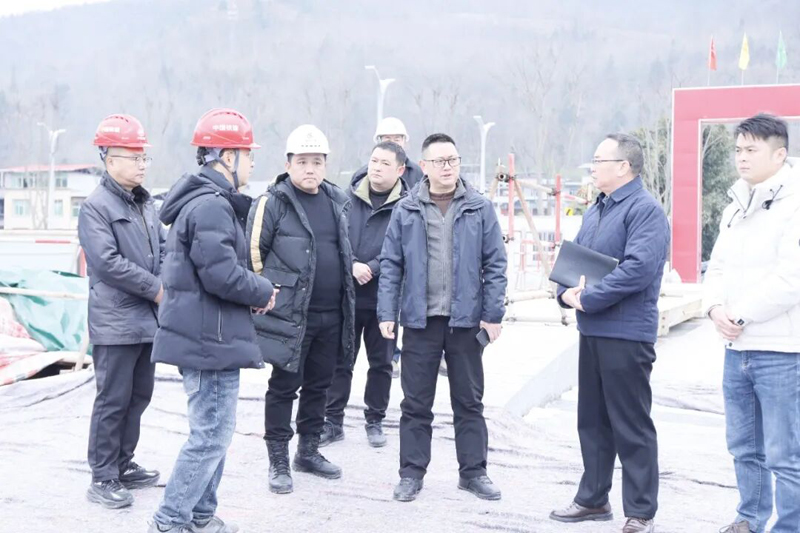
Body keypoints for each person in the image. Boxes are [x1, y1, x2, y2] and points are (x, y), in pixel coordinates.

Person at [148, 108, 275, 533]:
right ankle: (169, 521)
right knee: (210, 436)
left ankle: (200, 516)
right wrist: (262, 290)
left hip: (210, 336)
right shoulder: (211, 207)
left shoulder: (205, 202)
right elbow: (220, 274)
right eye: (248, 154)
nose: (252, 163)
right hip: (209, 341)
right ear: (226, 157)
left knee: (216, 433)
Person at [377, 133, 507, 502]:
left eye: (453, 160)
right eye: (439, 161)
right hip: (420, 322)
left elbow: (495, 264)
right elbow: (391, 264)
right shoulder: (406, 210)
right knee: (416, 403)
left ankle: (474, 473)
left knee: (469, 402)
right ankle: (411, 474)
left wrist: (493, 314)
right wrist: (387, 312)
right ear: (425, 166)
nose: (447, 167)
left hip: (466, 322)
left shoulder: (479, 208)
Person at [550, 133, 669, 533]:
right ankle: (593, 499)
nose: (593, 166)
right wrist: (565, 294)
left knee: (631, 424)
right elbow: (574, 261)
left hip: (626, 333)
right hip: (593, 329)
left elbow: (638, 269)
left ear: (623, 166)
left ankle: (640, 511)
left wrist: (590, 298)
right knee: (593, 420)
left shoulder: (645, 210)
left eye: (599, 160)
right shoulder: (597, 209)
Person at [703, 114, 800, 533]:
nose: (741, 157)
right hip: (736, 348)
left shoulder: (795, 203)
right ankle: (749, 519)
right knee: (744, 447)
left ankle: (789, 527)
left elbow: (792, 278)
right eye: (738, 149)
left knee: (785, 454)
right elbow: (716, 267)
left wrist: (739, 313)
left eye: (751, 149)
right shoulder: (735, 205)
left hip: (782, 350)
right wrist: (714, 308)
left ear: (780, 154)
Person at [247, 124, 355, 495]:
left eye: (317, 162)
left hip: (332, 313)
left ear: (325, 165)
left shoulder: (337, 200)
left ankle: (308, 451)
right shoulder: (273, 202)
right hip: (291, 315)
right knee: (283, 386)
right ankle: (278, 458)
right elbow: (253, 253)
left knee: (320, 385)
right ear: (288, 164)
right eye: (303, 162)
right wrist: (265, 294)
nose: (310, 169)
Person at [80, 114, 163, 509]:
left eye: (144, 157)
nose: (142, 164)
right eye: (134, 157)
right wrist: (156, 288)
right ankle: (102, 475)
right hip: (115, 321)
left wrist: (167, 281)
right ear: (109, 160)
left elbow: (162, 250)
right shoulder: (95, 207)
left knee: (139, 395)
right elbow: (107, 262)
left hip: (146, 319)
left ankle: (123, 463)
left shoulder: (146, 204)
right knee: (113, 399)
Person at [320, 141, 409, 448]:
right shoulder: (347, 198)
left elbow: (404, 249)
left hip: (385, 299)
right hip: (348, 295)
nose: (377, 168)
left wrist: (372, 266)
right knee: (341, 361)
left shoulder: (406, 207)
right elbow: (334, 239)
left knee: (381, 364)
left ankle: (375, 420)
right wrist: (353, 264)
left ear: (399, 170)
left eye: (385, 163)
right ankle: (333, 421)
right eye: (374, 161)